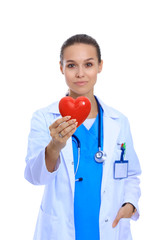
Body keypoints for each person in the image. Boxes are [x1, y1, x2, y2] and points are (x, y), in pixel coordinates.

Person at [24, 34, 141, 240]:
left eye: (88, 64)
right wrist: (55, 146)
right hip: (61, 230)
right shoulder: (44, 118)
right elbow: (35, 177)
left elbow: (131, 174)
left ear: (100, 66)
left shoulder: (118, 121)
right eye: (71, 65)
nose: (80, 74)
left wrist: (130, 204)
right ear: (61, 68)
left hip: (108, 229)